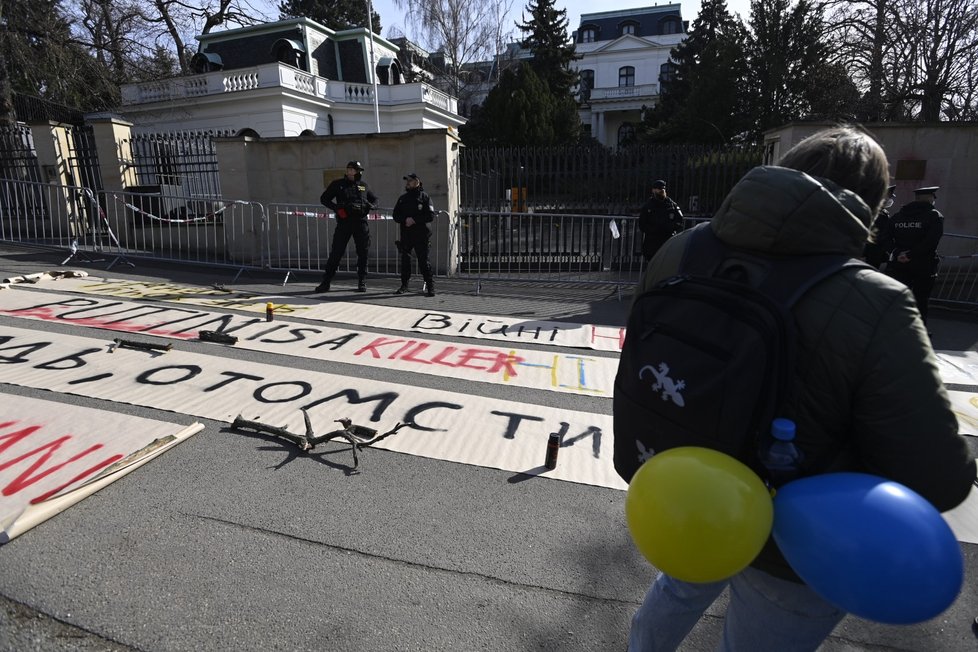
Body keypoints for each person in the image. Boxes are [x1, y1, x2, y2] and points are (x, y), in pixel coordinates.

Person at [625, 127, 975, 651]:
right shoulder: (876, 300)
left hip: (687, 491)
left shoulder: (682, 250)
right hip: (798, 543)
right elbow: (938, 477)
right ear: (870, 205)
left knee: (677, 587)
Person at [315, 161, 378, 293]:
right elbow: (324, 198)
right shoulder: (338, 184)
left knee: (363, 253)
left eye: (356, 170)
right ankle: (326, 282)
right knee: (336, 252)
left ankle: (362, 282)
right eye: (351, 169)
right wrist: (337, 209)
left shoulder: (363, 186)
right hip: (344, 223)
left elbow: (375, 200)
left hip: (361, 223)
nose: (353, 172)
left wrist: (372, 206)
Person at [886, 186, 944, 323]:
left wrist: (897, 253)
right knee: (921, 300)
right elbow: (931, 241)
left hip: (899, 265)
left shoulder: (898, 216)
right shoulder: (934, 216)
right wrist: (911, 255)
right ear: (930, 198)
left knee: (898, 298)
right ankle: (918, 331)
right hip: (923, 266)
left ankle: (893, 327)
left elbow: (885, 237)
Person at [392, 172, 436, 297]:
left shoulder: (425, 197)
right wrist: (404, 219)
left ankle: (430, 286)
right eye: (407, 181)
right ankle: (404, 285)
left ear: (417, 182)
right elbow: (396, 215)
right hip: (406, 235)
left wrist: (414, 220)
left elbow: (430, 215)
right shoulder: (402, 198)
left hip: (421, 235)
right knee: (405, 261)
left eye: (410, 181)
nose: (407, 183)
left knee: (424, 261)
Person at [637, 180, 684, 262]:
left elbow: (680, 221)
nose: (661, 191)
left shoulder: (672, 205)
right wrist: (654, 230)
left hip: (668, 242)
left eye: (663, 190)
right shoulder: (648, 206)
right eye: (658, 189)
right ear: (653, 190)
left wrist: (669, 228)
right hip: (652, 244)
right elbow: (642, 224)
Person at [862, 184, 896, 269]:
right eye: (889, 196)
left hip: (877, 249)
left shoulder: (882, 211)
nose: (890, 200)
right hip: (873, 249)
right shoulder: (876, 211)